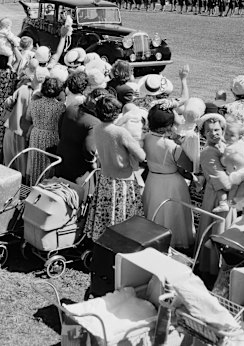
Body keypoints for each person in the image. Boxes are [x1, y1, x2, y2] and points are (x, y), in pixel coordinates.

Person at [85, 95, 146, 241]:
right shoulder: (120, 132)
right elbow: (141, 156)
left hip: (105, 178)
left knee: (105, 213)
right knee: (122, 216)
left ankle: (102, 239)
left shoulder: (98, 128)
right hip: (122, 181)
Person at [142, 104, 194, 250]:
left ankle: (153, 240)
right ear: (169, 125)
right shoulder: (172, 146)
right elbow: (189, 166)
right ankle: (174, 243)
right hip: (172, 183)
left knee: (154, 211)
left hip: (152, 180)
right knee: (173, 215)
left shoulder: (145, 138)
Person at [196, 113, 235, 280]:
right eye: (209, 131)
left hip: (228, 196)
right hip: (216, 197)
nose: (214, 134)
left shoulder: (223, 146)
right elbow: (222, 181)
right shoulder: (207, 153)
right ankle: (211, 269)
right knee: (217, 228)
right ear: (203, 133)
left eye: (217, 130)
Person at [57, 88, 109, 183]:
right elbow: (90, 150)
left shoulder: (71, 108)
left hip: (61, 157)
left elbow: (60, 126)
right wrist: (92, 163)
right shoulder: (94, 122)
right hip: (79, 168)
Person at [26, 77, 66, 186]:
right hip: (51, 136)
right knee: (47, 165)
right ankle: (44, 188)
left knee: (35, 162)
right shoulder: (60, 107)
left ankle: (33, 186)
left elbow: (27, 117)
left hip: (36, 134)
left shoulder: (34, 103)